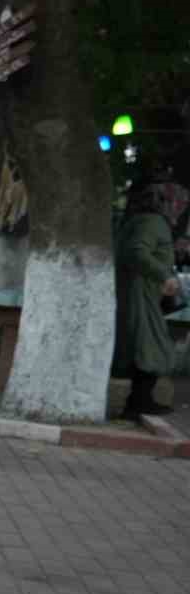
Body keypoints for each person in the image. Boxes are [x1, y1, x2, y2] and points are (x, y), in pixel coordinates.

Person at [112, 180, 188, 420]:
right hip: (141, 293)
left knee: (143, 347)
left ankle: (138, 402)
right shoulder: (152, 222)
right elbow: (138, 252)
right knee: (151, 347)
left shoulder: (135, 220)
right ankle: (139, 403)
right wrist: (164, 275)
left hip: (138, 291)